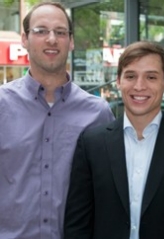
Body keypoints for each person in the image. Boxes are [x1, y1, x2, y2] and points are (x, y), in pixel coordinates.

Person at [64, 41, 164, 239]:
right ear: (118, 81)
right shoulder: (91, 143)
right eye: (131, 76)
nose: (139, 86)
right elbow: (77, 225)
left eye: (151, 77)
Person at [0, 2, 114, 239]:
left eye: (60, 32)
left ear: (70, 41)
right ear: (25, 39)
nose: (52, 39)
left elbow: (110, 191)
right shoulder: (2, 105)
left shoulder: (98, 113)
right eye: (41, 31)